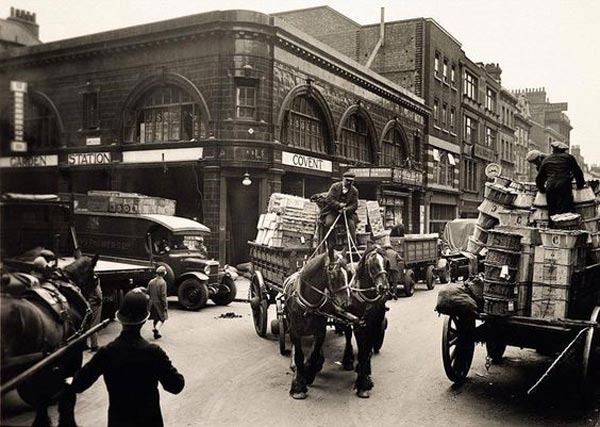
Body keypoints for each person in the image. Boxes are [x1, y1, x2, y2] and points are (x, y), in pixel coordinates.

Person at [67, 288, 184, 427]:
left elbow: (79, 384)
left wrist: (69, 380)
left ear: (120, 318)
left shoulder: (107, 353)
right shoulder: (154, 353)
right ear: (144, 319)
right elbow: (176, 386)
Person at [536, 141, 585, 218]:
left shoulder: (546, 159)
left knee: (552, 211)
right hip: (564, 186)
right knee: (564, 213)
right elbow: (578, 173)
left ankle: (551, 228)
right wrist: (580, 186)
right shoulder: (569, 158)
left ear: (553, 149)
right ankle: (563, 228)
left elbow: (539, 178)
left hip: (550, 186)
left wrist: (542, 190)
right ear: (563, 150)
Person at [320, 171, 359, 256]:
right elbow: (329, 199)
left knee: (352, 225)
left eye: (351, 181)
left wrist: (346, 209)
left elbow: (355, 205)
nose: (349, 182)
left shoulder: (354, 191)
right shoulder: (335, 187)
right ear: (343, 179)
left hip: (347, 214)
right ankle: (331, 244)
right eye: (347, 180)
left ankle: (352, 245)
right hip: (333, 211)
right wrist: (339, 205)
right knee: (328, 223)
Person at [148, 266, 168, 339]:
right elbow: (163, 295)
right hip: (159, 303)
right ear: (164, 274)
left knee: (155, 318)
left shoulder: (151, 281)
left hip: (151, 303)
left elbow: (148, 292)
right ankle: (156, 329)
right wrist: (165, 305)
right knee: (162, 318)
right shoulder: (163, 282)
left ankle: (156, 334)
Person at [83, 276, 103, 352]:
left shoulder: (82, 276)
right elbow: (97, 292)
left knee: (85, 324)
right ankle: (94, 345)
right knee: (94, 323)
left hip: (87, 302)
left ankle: (83, 343)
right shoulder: (94, 277)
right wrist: (99, 299)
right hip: (94, 303)